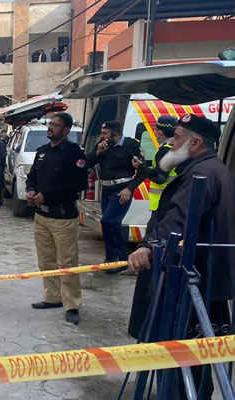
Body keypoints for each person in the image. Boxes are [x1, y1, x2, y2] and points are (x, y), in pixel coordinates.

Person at [127, 115, 235, 399]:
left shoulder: (203, 174)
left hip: (195, 284)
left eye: (176, 137)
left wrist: (148, 247)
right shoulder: (208, 168)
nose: (170, 143)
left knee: (183, 364)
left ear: (196, 142)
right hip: (205, 282)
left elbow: (180, 220)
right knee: (195, 364)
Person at [26, 113, 87, 325]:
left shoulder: (74, 153)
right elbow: (32, 176)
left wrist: (49, 194)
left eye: (55, 125)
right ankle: (53, 297)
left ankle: (72, 305)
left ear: (66, 130)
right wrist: (31, 190)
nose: (50, 128)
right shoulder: (42, 152)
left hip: (62, 217)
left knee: (67, 263)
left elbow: (78, 184)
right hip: (41, 215)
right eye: (50, 124)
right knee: (46, 260)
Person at [86, 121, 146, 274]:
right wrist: (98, 152)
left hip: (122, 189)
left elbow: (142, 171)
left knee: (109, 221)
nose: (102, 136)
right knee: (108, 225)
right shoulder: (103, 145)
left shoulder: (130, 144)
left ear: (116, 134)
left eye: (105, 133)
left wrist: (129, 189)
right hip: (106, 189)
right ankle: (113, 260)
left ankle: (119, 259)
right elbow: (88, 162)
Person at [132, 116, 178, 235]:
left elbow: (160, 178)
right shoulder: (177, 148)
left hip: (161, 203)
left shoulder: (165, 151)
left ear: (161, 132)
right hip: (170, 201)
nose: (156, 133)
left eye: (155, 130)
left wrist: (141, 167)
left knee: (153, 237)